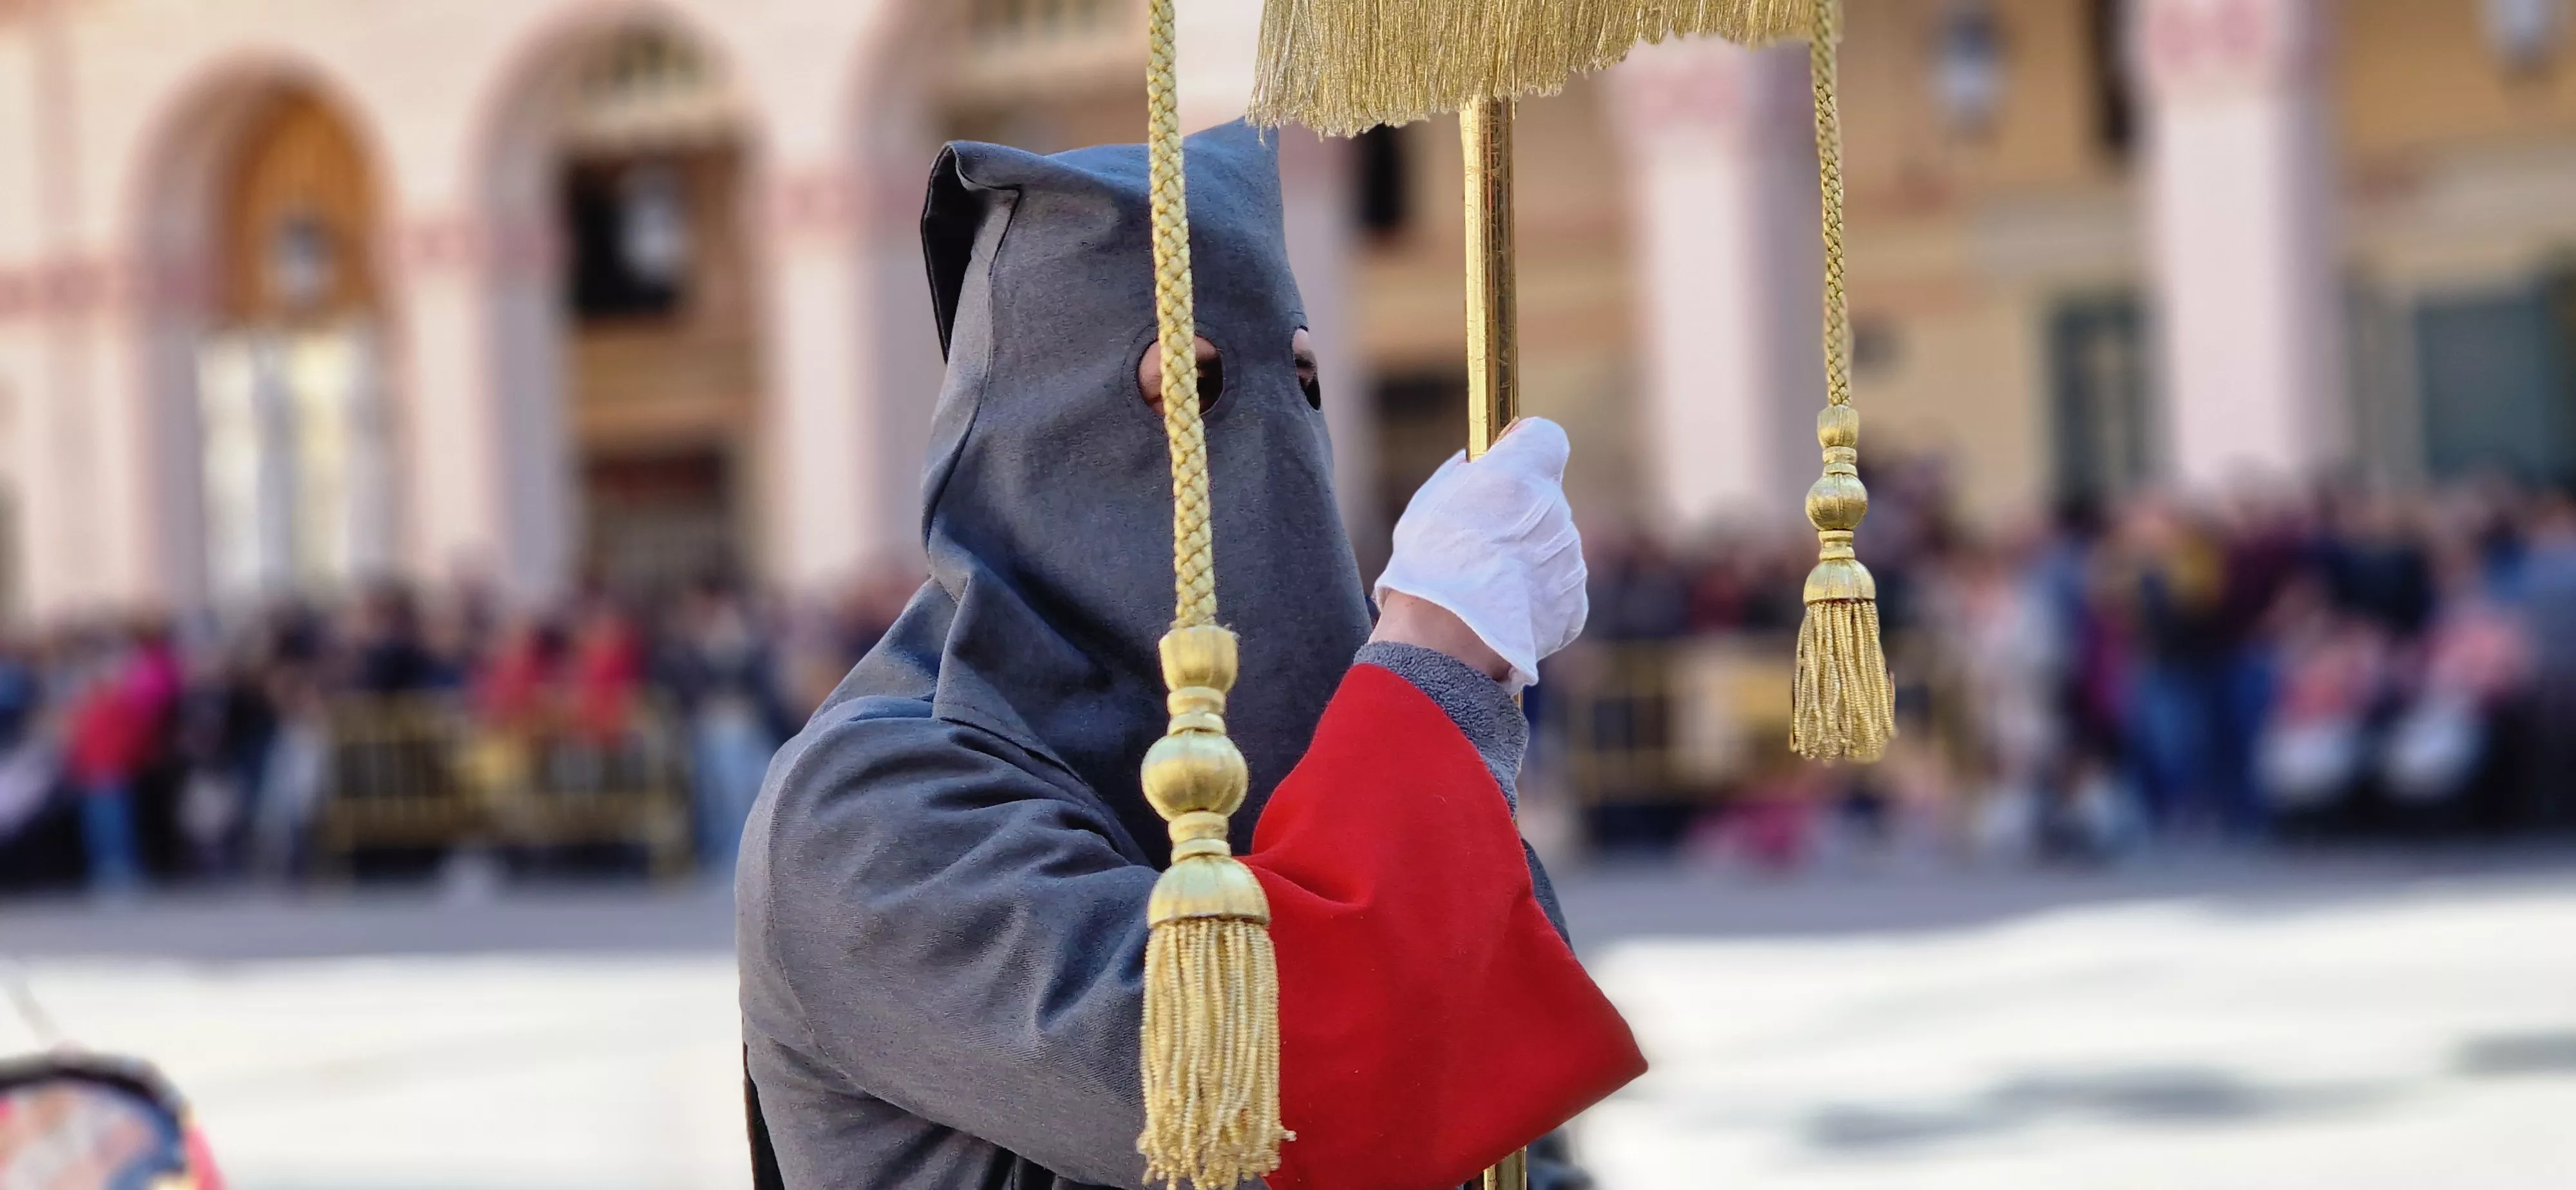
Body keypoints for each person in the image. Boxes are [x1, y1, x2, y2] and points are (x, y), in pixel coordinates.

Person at [737, 122, 1641, 1190]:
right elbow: (1272, 1103)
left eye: (1300, 384)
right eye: (1189, 390)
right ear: (1033, 439)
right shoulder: (870, 810)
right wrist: (1431, 670)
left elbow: (1507, 1119)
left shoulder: (1312, 751)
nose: (1267, 437)